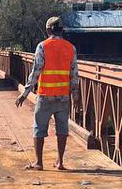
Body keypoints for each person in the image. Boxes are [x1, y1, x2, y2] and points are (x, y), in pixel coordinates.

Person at [15, 16, 81, 171]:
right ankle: (60, 162)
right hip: (63, 97)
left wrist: (25, 94)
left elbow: (35, 72)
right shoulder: (71, 48)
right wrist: (75, 96)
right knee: (62, 129)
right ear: (61, 30)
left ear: (48, 30)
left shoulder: (42, 46)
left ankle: (39, 162)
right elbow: (74, 75)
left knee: (39, 128)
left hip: (45, 95)